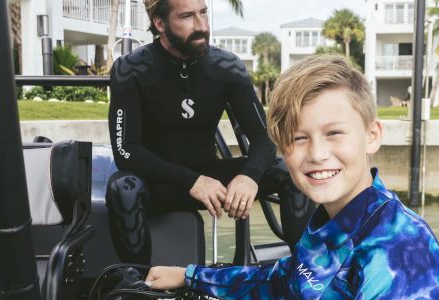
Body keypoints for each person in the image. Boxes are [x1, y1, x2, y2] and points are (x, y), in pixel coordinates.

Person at [146, 55, 439, 300]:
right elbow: (285, 281)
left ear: (372, 135)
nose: (317, 153)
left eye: (334, 133)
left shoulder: (400, 258)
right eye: (299, 138)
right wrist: (190, 276)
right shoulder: (335, 224)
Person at [106, 0, 313, 264]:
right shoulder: (130, 69)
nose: (202, 26)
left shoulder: (226, 67)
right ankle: (138, 290)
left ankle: (307, 275)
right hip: (158, 184)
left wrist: (249, 176)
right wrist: (192, 181)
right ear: (160, 23)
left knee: (290, 172)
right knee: (123, 187)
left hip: (211, 178)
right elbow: (127, 152)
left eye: (203, 13)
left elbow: (263, 138)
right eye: (187, 17)